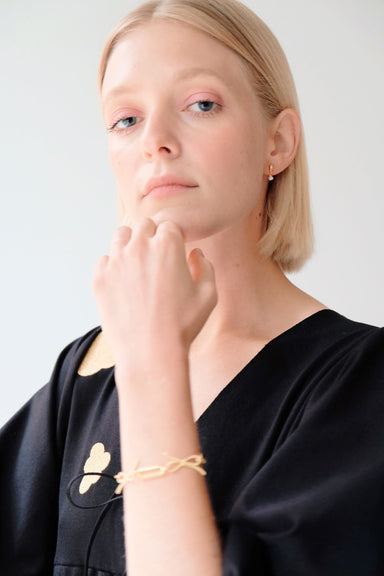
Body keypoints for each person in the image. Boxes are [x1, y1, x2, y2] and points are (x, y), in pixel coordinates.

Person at [1, 0, 384, 574]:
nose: (155, 140)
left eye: (201, 104)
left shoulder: (360, 383)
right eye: (126, 119)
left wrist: (153, 357)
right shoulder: (84, 372)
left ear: (278, 143)